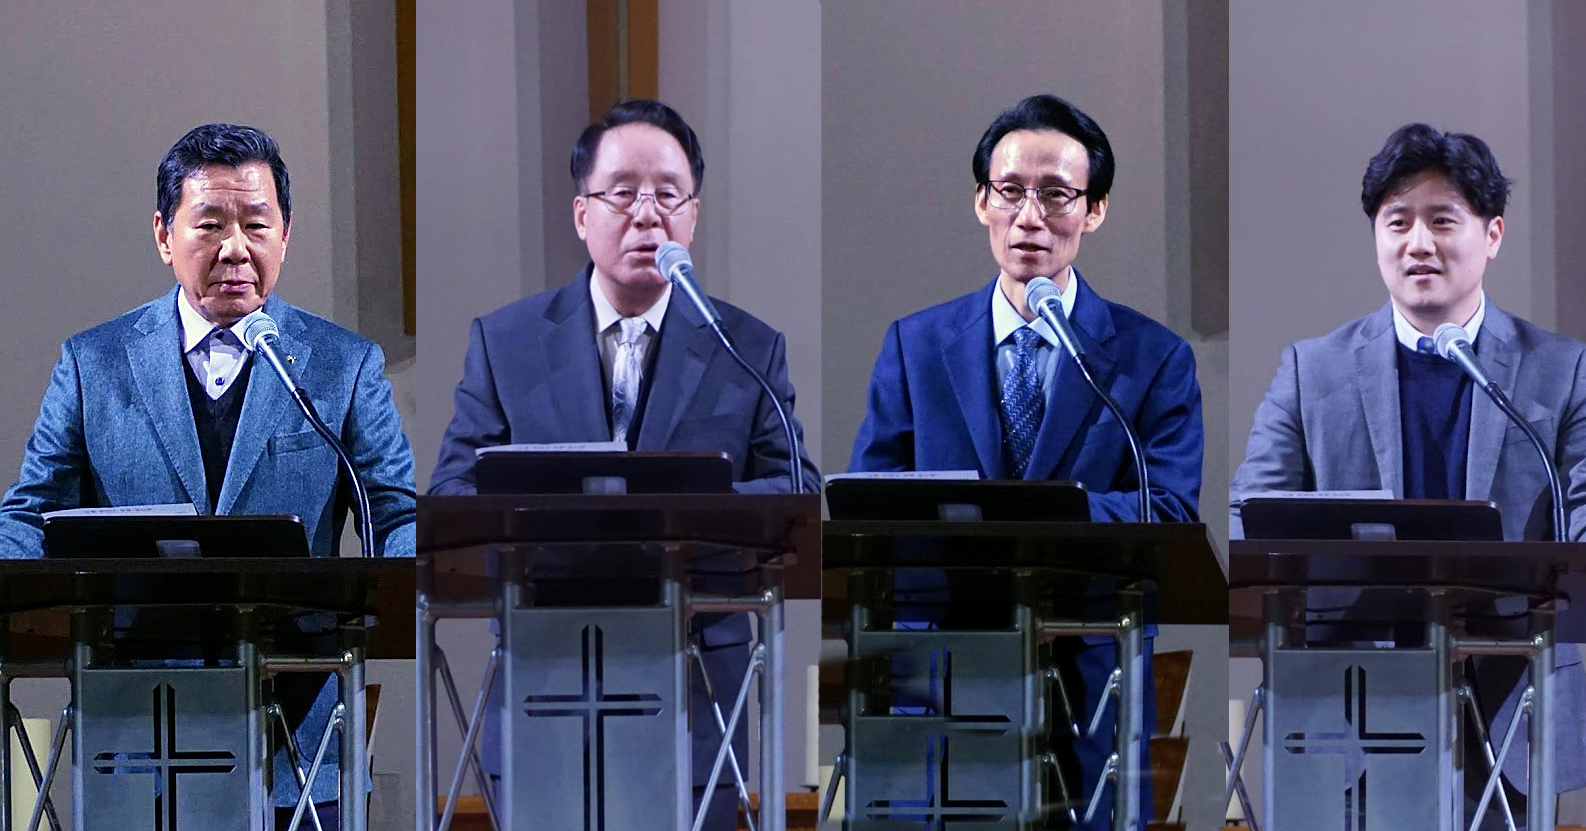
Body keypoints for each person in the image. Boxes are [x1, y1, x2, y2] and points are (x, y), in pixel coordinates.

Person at [0, 123, 417, 828]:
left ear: (286, 234)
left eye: (257, 224)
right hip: (137, 727)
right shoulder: (94, 364)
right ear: (164, 235)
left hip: (296, 732)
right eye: (211, 224)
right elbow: (31, 513)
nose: (235, 248)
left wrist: (397, 594)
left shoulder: (342, 365)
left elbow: (394, 513)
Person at [429, 99, 817, 829]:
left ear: (693, 215)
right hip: (547, 660)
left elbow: (797, 487)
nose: (647, 214)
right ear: (582, 214)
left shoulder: (745, 347)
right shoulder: (506, 341)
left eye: (668, 194)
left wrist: (679, 515)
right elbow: (453, 492)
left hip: (698, 673)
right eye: (623, 193)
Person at [849, 94, 1203, 829]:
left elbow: (1168, 509)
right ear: (981, 201)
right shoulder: (917, 346)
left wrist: (1044, 516)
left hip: (1089, 658)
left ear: (1094, 210)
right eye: (1010, 190)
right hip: (942, 657)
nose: (1030, 216)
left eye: (1056, 195)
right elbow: (871, 504)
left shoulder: (1152, 357)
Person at [1230, 122, 1586, 827]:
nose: (1418, 243)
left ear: (1492, 234)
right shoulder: (1311, 371)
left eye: (1442, 220)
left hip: (1508, 698)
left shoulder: (1561, 370)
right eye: (1398, 222)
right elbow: (1251, 519)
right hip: (1349, 699)